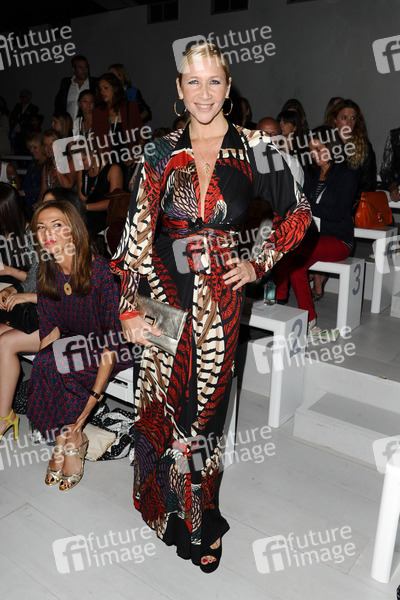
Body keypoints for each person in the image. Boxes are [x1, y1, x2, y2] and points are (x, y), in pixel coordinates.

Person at [111, 42, 311, 572]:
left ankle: (201, 518)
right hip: (162, 291)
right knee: (161, 399)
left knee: (206, 410)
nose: (204, 93)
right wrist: (127, 306)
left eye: (214, 81)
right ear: (179, 89)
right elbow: (136, 233)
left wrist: (258, 261)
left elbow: (299, 212)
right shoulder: (158, 151)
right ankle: (161, 507)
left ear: (228, 87)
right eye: (193, 82)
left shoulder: (254, 147)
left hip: (220, 298)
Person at [27, 200, 131, 490]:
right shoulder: (48, 271)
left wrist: (90, 405)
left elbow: (112, 341)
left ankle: (74, 438)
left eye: (57, 225)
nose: (48, 233)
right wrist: (44, 375)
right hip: (78, 346)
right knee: (46, 362)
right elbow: (49, 334)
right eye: (41, 227)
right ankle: (65, 437)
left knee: (60, 364)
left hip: (114, 348)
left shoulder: (99, 271)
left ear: (73, 231)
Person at [274, 127, 357, 339]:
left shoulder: (346, 175)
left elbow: (337, 213)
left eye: (319, 149)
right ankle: (308, 321)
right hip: (313, 235)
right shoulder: (312, 174)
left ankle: (279, 300)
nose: (314, 155)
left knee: (291, 248)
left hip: (339, 239)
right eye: (311, 150)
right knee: (295, 264)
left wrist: (305, 205)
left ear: (332, 147)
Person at [0, 183, 39, 442]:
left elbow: (40, 282)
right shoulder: (10, 234)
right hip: (29, 308)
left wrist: (13, 281)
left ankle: (5, 416)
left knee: (5, 342)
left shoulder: (34, 237)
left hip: (54, 318)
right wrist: (13, 288)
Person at [324, 98, 376, 197]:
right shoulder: (325, 144)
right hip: (325, 200)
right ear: (335, 119)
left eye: (353, 118)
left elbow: (368, 183)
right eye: (344, 118)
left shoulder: (363, 146)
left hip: (354, 201)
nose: (349, 123)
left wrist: (351, 199)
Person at [92, 72, 143, 168]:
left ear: (115, 88)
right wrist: (102, 159)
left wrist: (135, 155)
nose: (102, 92)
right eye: (100, 89)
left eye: (106, 88)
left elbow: (142, 135)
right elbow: (96, 138)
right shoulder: (98, 111)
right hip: (107, 160)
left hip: (128, 160)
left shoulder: (130, 107)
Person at [55, 55, 97, 120]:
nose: (84, 70)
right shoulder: (66, 83)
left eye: (86, 67)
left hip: (88, 124)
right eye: (80, 67)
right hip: (68, 124)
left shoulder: (94, 83)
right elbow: (59, 105)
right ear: (73, 69)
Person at [38, 129, 76, 202]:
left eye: (52, 144)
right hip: (52, 205)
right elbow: (43, 192)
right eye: (46, 145)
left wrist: (57, 165)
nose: (49, 148)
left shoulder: (71, 162)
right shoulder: (46, 167)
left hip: (68, 204)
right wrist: (39, 204)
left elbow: (67, 186)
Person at [20, 133, 46, 216]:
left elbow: (44, 187)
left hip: (42, 205)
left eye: (35, 147)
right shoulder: (32, 164)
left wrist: (24, 192)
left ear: (42, 147)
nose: (31, 151)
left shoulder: (49, 165)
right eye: (30, 147)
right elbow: (26, 182)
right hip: (29, 204)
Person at [9, 90, 39, 155]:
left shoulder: (33, 108)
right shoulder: (18, 106)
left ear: (28, 97)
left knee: (26, 151)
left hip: (26, 134)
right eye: (20, 97)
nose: (21, 99)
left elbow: (32, 121)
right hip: (16, 134)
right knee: (16, 151)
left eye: (23, 97)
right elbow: (13, 117)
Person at [380, 126, 400, 202]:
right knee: (373, 199)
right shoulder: (394, 135)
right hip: (396, 185)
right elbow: (385, 170)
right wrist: (392, 186)